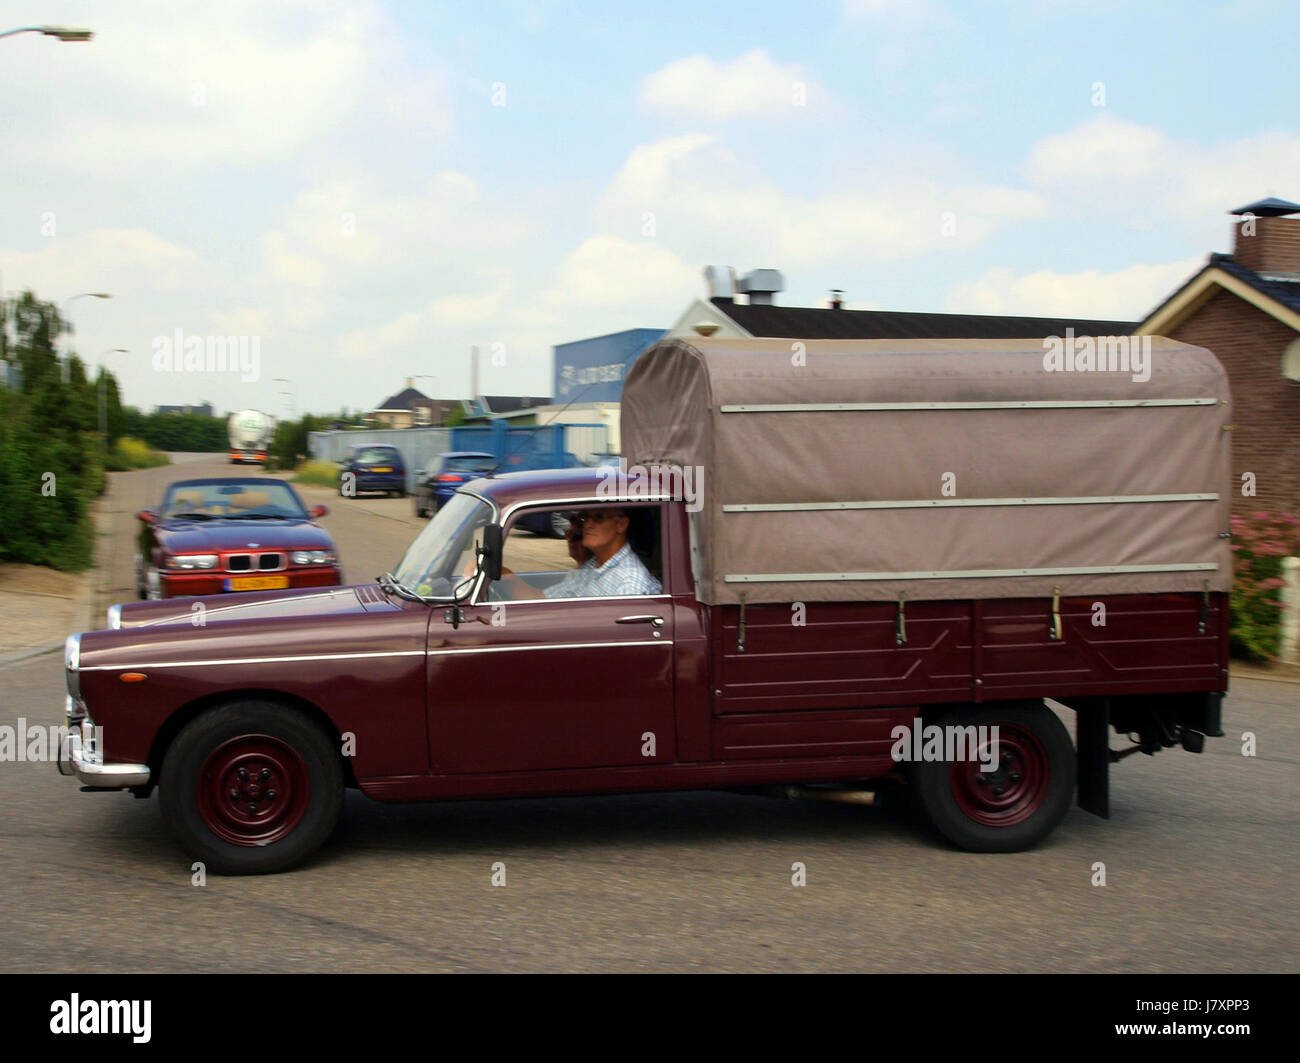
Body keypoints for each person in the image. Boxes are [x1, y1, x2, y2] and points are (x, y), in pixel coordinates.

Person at [543, 508, 661, 598]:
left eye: (598, 517)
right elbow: (549, 597)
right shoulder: (594, 564)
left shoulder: (629, 584)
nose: (587, 524)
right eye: (586, 517)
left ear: (621, 525)